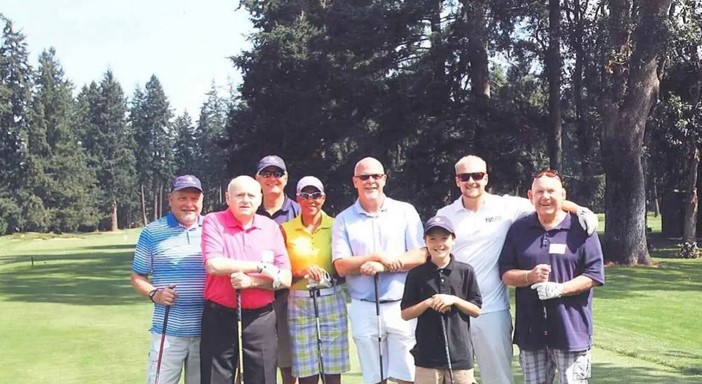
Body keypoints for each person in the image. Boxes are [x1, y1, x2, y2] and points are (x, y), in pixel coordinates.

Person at [434, 155, 598, 384]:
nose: (471, 181)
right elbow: (430, 253)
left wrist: (580, 210)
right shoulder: (445, 215)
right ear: (457, 181)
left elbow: (547, 199)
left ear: (486, 178)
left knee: (498, 379)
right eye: (464, 176)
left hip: (491, 310)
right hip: (452, 311)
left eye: (477, 175)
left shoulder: (507, 206)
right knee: (451, 378)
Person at [498, 170, 605, 384]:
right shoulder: (519, 228)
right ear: (530, 196)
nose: (545, 197)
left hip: (571, 331)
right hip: (531, 332)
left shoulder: (581, 227)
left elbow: (594, 275)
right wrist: (529, 276)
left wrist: (560, 289)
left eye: (551, 191)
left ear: (563, 195)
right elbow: (506, 274)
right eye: (539, 192)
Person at [332, 157, 427, 384]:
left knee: (408, 376)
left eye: (376, 176)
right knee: (375, 378)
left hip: (402, 305)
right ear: (355, 181)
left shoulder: (405, 211)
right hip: (364, 307)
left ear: (384, 179)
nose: (370, 181)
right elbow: (341, 265)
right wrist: (374, 257)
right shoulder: (343, 219)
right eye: (364, 177)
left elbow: (421, 254)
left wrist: (383, 265)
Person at [199, 175, 292, 384]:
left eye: (251, 195)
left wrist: (252, 282)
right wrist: (259, 267)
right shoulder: (213, 221)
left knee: (263, 378)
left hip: (261, 318)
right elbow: (213, 264)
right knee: (216, 379)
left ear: (259, 199)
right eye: (239, 195)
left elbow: (285, 277)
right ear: (227, 197)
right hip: (220, 316)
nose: (245, 200)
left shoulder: (270, 228)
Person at [131, 174, 207, 384]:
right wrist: (154, 294)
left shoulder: (213, 228)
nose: (189, 204)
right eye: (183, 198)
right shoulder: (152, 232)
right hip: (169, 331)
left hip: (207, 331)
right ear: (170, 199)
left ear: (202, 201)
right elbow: (137, 276)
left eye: (194, 198)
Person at [281, 176, 350, 384]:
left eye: (316, 195)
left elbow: (343, 266)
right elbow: (282, 270)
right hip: (298, 300)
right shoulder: (286, 229)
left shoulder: (336, 225)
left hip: (331, 296)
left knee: (332, 368)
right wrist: (302, 271)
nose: (311, 200)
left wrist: (329, 275)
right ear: (297, 198)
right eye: (305, 195)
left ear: (324, 198)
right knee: (305, 368)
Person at [401, 216, 482, 384]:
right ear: (425, 242)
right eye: (432, 239)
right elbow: (405, 314)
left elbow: (476, 310)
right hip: (427, 356)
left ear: (453, 240)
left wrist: (454, 300)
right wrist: (429, 303)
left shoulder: (465, 271)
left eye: (444, 238)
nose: (439, 244)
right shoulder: (416, 274)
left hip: (460, 355)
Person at [255, 154, 300, 384]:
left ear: (286, 178)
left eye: (278, 173)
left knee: (288, 362)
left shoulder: (298, 210)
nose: (272, 178)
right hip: (255, 293)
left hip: (289, 296)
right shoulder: (248, 209)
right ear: (258, 178)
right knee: (253, 361)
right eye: (266, 173)